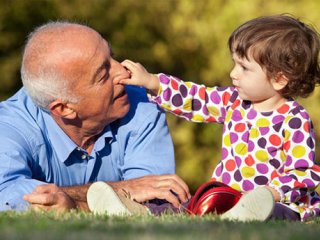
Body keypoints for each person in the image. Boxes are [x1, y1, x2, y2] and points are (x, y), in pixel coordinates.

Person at [118, 15, 320, 221]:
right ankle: (139, 209)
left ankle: (253, 212)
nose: (233, 74)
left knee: (277, 213)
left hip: (278, 201)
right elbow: (197, 99)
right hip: (227, 197)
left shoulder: (294, 119)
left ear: (279, 79)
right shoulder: (233, 101)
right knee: (189, 204)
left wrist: (272, 193)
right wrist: (153, 82)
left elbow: (302, 173)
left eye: (244, 68)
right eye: (235, 64)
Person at [0, 21, 191, 213]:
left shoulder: (142, 104)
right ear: (64, 108)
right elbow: (6, 197)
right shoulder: (9, 126)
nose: (124, 71)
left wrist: (73, 203)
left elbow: (156, 203)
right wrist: (117, 190)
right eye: (102, 75)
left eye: (112, 57)